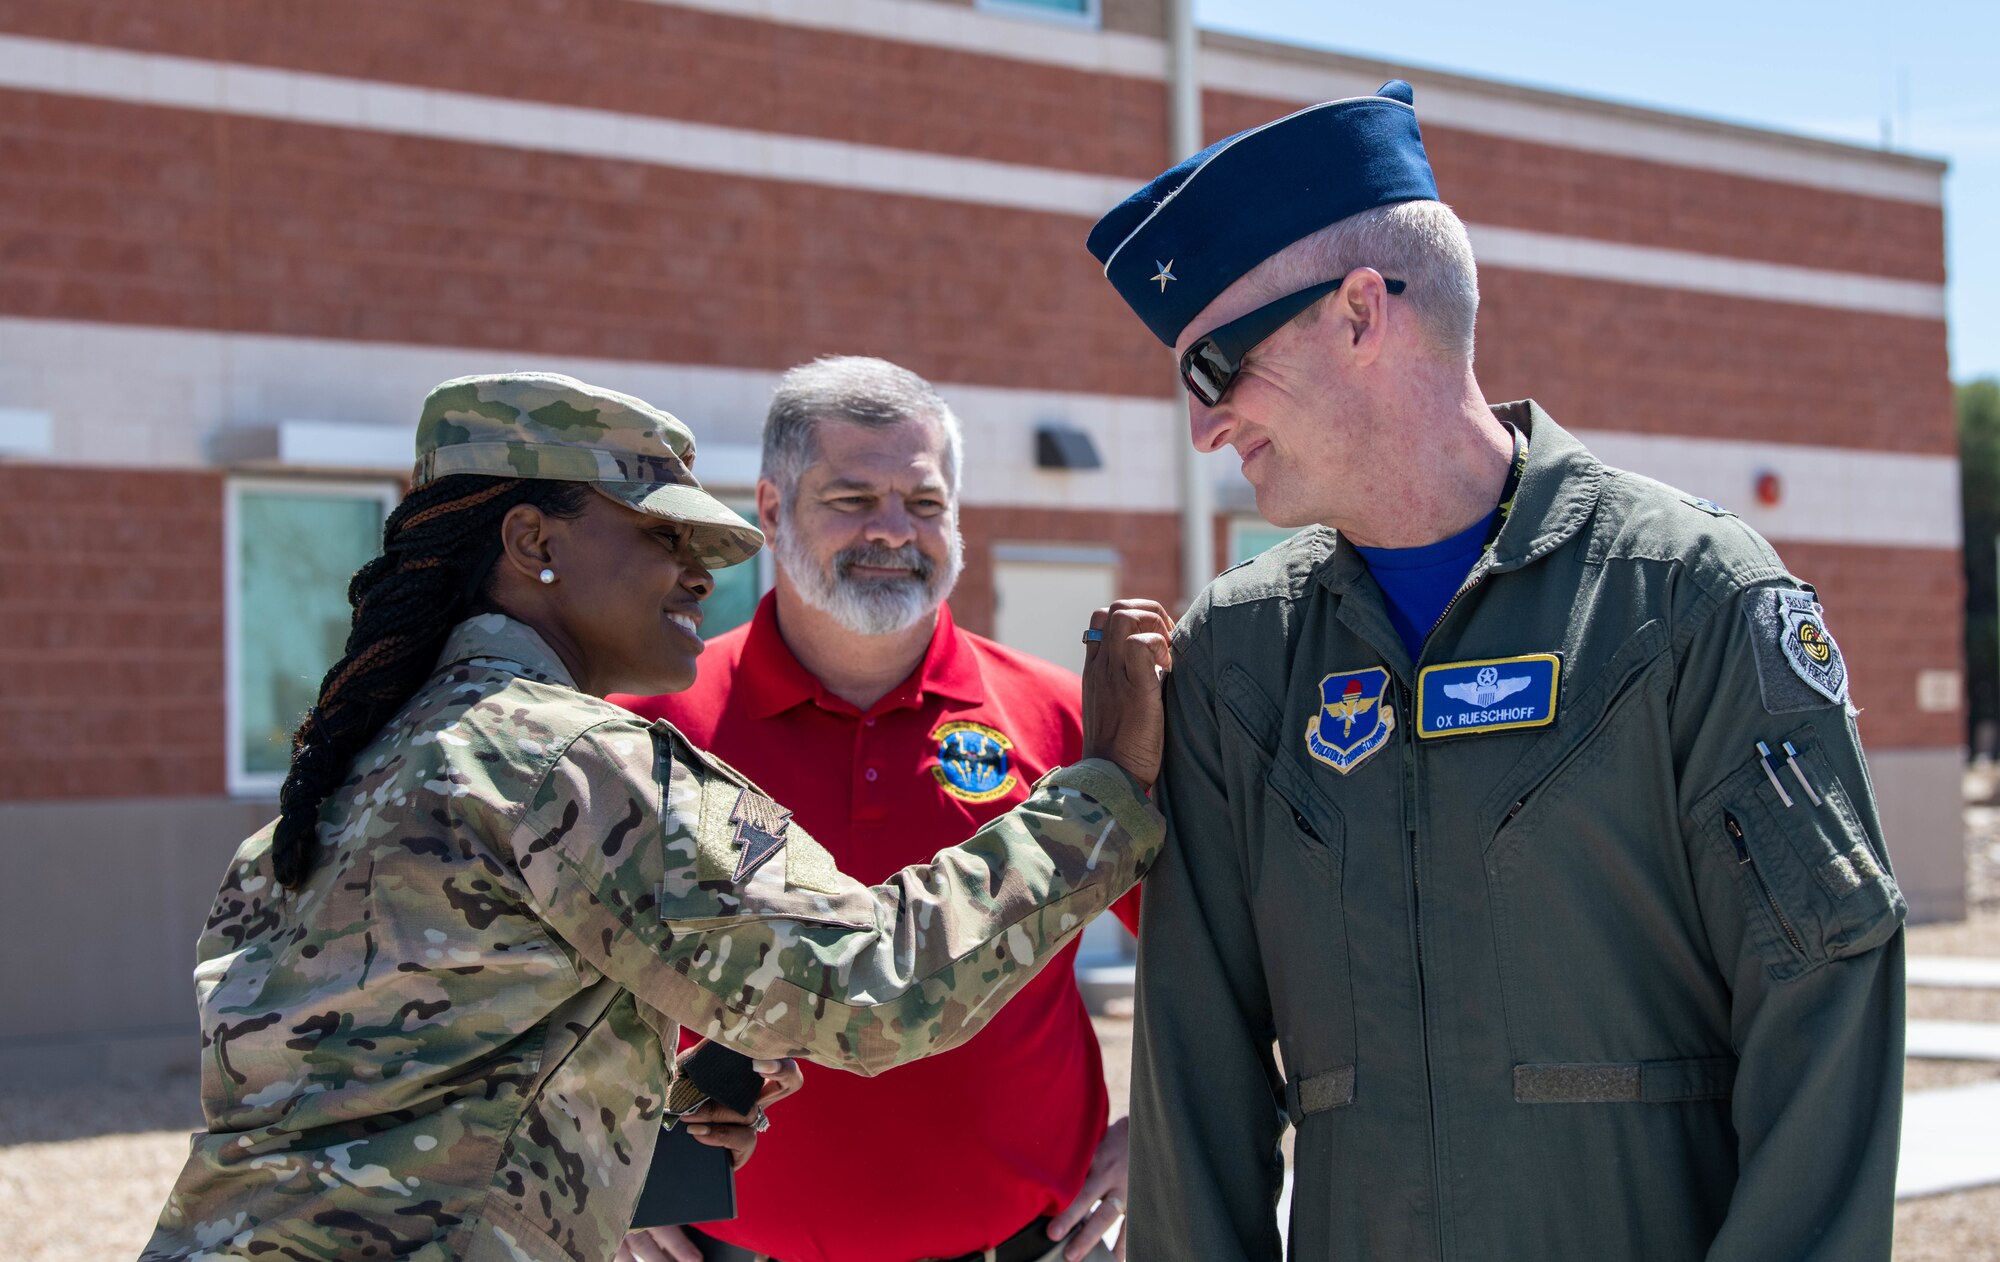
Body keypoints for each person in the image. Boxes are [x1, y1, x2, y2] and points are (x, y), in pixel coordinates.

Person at [1085, 83, 1906, 1260]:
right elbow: (1191, 1069)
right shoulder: (1238, 655)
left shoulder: (1682, 597)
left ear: (1360, 311)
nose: (1205, 427)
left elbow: (1823, 1013)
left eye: (1216, 367)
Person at [138, 372, 1173, 1262]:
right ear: (532, 537)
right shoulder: (565, 758)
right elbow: (869, 984)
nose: (700, 570)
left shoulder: (366, 762)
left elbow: (391, 1075)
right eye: (660, 532)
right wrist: (1108, 787)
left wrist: (633, 1098)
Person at [612, 357, 1140, 1262]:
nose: (893, 533)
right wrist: (606, 1155)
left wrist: (1165, 1131)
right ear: (771, 510)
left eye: (924, 504)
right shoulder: (651, 728)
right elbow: (551, 987)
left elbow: (1221, 956)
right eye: (852, 498)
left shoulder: (1065, 720)